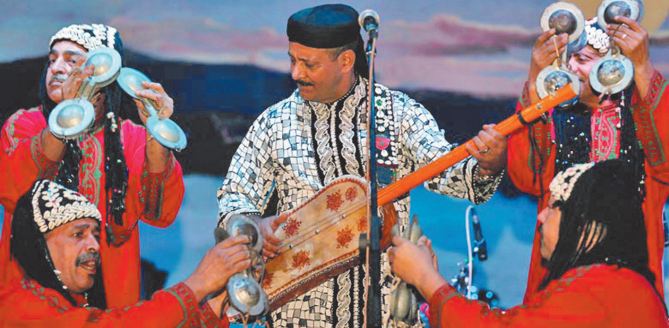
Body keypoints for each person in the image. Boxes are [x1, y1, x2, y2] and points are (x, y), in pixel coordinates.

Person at [217, 4, 507, 327]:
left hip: (384, 311)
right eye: (292, 60)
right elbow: (235, 195)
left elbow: (452, 176)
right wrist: (252, 227)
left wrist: (488, 165)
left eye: (308, 64)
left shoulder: (397, 115)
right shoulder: (274, 123)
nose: (296, 73)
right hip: (298, 314)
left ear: (346, 61)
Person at [0, 24, 185, 308]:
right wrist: (66, 119)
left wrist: (156, 130)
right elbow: (15, 192)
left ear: (105, 72)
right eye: (52, 60)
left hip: (109, 301)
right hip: (31, 302)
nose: (57, 68)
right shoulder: (24, 125)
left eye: (71, 60)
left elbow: (159, 213)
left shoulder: (131, 138)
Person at [390, 159, 668, 327]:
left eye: (555, 206)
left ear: (586, 224)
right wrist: (431, 282)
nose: (542, 216)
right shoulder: (617, 284)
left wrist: (426, 278)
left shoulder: (599, 290)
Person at [507, 15, 669, 300]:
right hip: (558, 280)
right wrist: (535, 82)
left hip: (630, 281)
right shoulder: (553, 118)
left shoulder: (642, 118)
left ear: (614, 66)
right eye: (569, 59)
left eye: (582, 59)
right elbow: (525, 178)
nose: (571, 68)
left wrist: (642, 67)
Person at [0, 179, 249, 326]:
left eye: (96, 236)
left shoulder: (64, 307)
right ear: (38, 245)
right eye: (78, 234)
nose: (95, 247)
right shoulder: (17, 306)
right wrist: (198, 284)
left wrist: (213, 310)